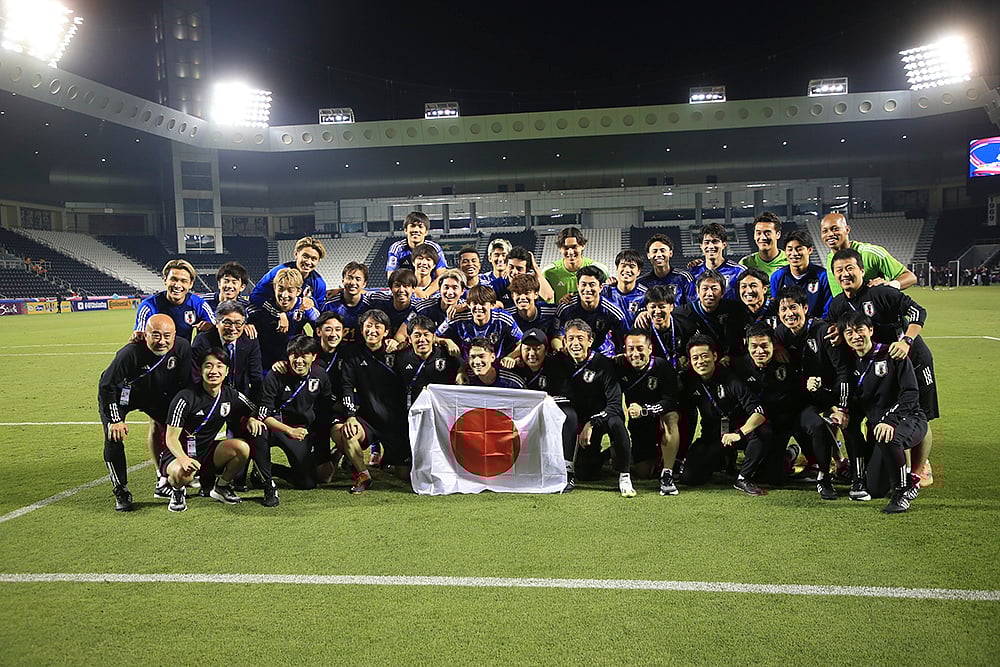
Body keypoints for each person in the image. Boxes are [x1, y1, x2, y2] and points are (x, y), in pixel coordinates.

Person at [827, 247, 938, 487]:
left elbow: (919, 311)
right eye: (839, 270)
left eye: (850, 268)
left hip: (912, 358)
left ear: (862, 270)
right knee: (888, 412)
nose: (845, 274)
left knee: (920, 413)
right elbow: (838, 327)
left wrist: (907, 341)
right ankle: (898, 466)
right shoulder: (838, 305)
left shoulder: (881, 293)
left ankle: (919, 470)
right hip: (883, 367)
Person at [732, 323, 840, 498]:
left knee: (816, 425)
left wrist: (833, 407)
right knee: (775, 478)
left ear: (773, 344)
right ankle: (790, 454)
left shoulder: (787, 359)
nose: (760, 351)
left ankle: (824, 478)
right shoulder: (739, 366)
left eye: (764, 345)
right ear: (747, 345)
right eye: (754, 346)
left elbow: (806, 384)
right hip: (770, 423)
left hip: (795, 415)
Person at [98, 314, 193, 511]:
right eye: (155, 335)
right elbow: (107, 386)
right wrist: (115, 420)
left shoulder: (182, 347)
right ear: (144, 334)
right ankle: (120, 490)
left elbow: (183, 384)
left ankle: (166, 480)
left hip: (156, 395)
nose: (162, 341)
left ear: (175, 335)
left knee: (177, 428)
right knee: (113, 436)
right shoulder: (130, 353)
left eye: (167, 336)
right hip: (121, 396)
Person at [834, 312, 926, 513]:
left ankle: (904, 489)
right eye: (849, 332)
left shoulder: (893, 354)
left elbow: (910, 394)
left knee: (889, 438)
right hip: (878, 429)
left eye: (860, 330)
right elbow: (857, 402)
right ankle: (861, 476)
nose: (855, 336)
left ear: (871, 331)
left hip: (908, 419)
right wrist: (843, 413)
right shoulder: (851, 364)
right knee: (875, 488)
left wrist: (891, 420)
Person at [160, 347, 266, 512]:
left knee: (242, 448)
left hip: (207, 450)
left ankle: (222, 487)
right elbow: (170, 438)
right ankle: (177, 491)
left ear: (226, 371)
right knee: (183, 473)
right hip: (177, 454)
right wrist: (183, 459)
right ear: (200, 369)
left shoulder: (230, 394)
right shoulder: (185, 397)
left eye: (219, 366)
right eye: (208, 366)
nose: (213, 371)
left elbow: (253, 408)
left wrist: (252, 418)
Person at [773, 285, 852, 480]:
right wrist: (775, 346)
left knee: (844, 422)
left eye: (793, 308)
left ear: (805, 309)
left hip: (832, 389)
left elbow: (843, 371)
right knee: (801, 418)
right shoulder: (781, 333)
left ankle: (846, 465)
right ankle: (816, 461)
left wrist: (840, 406)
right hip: (808, 393)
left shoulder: (823, 331)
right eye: (783, 309)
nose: (789, 314)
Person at [681, 334, 769, 496]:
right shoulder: (689, 380)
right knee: (690, 478)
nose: (700, 361)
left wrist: (738, 433)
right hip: (713, 436)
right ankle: (724, 459)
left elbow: (759, 413)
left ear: (715, 356)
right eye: (695, 358)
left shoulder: (731, 379)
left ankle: (744, 477)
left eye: (705, 356)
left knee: (763, 432)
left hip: (739, 433)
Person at [336, 309, 410, 493]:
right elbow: (346, 386)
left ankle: (390, 457)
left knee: (403, 474)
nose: (372, 330)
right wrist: (351, 416)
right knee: (347, 432)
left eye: (377, 326)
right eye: (368, 326)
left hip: (396, 423)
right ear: (362, 330)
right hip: (368, 420)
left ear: (386, 332)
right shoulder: (353, 355)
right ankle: (363, 475)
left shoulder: (397, 353)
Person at [562, 319, 636, 497]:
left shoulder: (603, 364)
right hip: (580, 422)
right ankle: (608, 455)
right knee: (585, 473)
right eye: (570, 338)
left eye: (580, 338)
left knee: (616, 423)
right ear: (564, 342)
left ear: (590, 340)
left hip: (605, 417)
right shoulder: (560, 363)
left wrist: (592, 422)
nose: (575, 343)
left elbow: (615, 404)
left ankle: (625, 476)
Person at [256, 335, 335, 500]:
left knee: (307, 482)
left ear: (313, 357)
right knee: (258, 431)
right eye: (294, 355)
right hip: (277, 427)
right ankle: (263, 475)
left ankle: (272, 469)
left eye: (304, 355)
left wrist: (320, 446)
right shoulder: (276, 374)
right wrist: (289, 430)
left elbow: (325, 410)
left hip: (300, 432)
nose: (299, 360)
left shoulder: (320, 375)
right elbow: (264, 415)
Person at [615, 330, 682, 494]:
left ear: (650, 349)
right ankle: (613, 453)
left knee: (671, 417)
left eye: (640, 348)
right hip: (638, 425)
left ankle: (667, 474)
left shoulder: (662, 366)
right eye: (630, 349)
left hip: (659, 418)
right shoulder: (619, 366)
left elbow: (670, 401)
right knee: (643, 472)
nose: (635, 354)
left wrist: (645, 410)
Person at [511, 329, 577, 491]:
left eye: (537, 348)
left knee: (569, 415)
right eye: (527, 349)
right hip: (523, 418)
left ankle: (567, 469)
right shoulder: (515, 368)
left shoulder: (556, 365)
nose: (532, 353)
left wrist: (544, 402)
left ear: (546, 350)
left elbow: (567, 397)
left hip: (551, 412)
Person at [820, 212, 916, 298]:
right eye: (825, 231)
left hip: (877, 315)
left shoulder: (870, 253)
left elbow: (910, 277)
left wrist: (890, 285)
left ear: (847, 230)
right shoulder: (830, 258)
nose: (830, 234)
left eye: (835, 229)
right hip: (848, 316)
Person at [248, 267, 320, 371]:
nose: (284, 295)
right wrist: (247, 324)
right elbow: (245, 315)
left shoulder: (306, 308)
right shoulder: (264, 305)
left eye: (290, 290)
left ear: (299, 291)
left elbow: (320, 329)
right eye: (280, 289)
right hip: (265, 361)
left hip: (293, 361)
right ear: (274, 287)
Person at [555, 265, 630, 357]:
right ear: (577, 286)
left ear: (601, 287)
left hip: (602, 351)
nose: (587, 289)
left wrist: (620, 356)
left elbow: (626, 337)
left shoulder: (613, 312)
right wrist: (561, 350)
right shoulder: (565, 307)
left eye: (592, 285)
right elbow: (556, 335)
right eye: (583, 284)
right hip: (573, 351)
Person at [674, 270, 750, 361]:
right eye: (705, 289)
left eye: (714, 289)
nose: (709, 294)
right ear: (698, 291)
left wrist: (731, 357)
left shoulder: (736, 310)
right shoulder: (681, 313)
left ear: (723, 292)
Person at [134, 259, 215, 341]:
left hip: (184, 352)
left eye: (184, 281)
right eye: (173, 279)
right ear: (165, 280)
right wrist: (139, 335)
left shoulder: (198, 304)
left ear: (191, 284)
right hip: (157, 351)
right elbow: (139, 335)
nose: (177, 285)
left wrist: (210, 327)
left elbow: (216, 327)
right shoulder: (148, 306)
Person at [436, 284, 523, 361]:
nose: (478, 307)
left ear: (492, 305)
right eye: (475, 303)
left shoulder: (503, 318)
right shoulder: (458, 318)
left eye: (482, 303)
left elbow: (522, 342)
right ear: (469, 305)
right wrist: (447, 341)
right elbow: (434, 337)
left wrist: (510, 357)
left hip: (496, 364)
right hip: (467, 366)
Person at [394, 315, 462, 409]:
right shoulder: (401, 357)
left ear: (433, 337)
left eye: (426, 334)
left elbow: (462, 365)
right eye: (417, 335)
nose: (422, 340)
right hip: (412, 411)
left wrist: (461, 372)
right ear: (410, 339)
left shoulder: (446, 354)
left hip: (441, 409)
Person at [251, 236, 329, 312]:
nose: (308, 262)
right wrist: (276, 312)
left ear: (318, 261)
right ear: (296, 254)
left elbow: (321, 310)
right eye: (305, 256)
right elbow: (256, 296)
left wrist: (313, 302)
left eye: (313, 259)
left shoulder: (319, 284)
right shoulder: (277, 273)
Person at [769, 229, 832, 318]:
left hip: (817, 328)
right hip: (788, 327)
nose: (794, 253)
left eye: (799, 249)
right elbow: (777, 309)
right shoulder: (777, 276)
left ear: (810, 250)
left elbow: (828, 310)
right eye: (790, 249)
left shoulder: (822, 276)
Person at [543, 227, 609, 303]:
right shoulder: (548, 272)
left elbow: (607, 298)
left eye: (574, 247)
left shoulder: (600, 270)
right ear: (560, 248)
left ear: (583, 246)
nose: (570, 252)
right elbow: (544, 302)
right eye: (566, 248)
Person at [686, 223, 743, 304]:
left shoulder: (738, 272)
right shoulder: (693, 272)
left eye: (715, 241)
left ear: (724, 244)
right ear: (701, 246)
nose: (711, 246)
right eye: (707, 242)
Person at [505, 273, 562, 352]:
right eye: (518, 293)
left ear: (536, 294)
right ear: (512, 296)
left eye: (527, 293)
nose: (522, 297)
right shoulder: (507, 316)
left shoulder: (552, 311)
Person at [386, 211, 447, 279]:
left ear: (426, 232)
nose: (416, 230)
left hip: (431, 287)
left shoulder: (435, 248)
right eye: (412, 226)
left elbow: (442, 277)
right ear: (405, 230)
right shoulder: (397, 248)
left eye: (420, 226)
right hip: (406, 287)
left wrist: (425, 290)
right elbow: (391, 277)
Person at [322, 262, 372, 343]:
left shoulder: (370, 306)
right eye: (349, 278)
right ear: (343, 281)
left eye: (358, 279)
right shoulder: (329, 305)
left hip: (361, 353)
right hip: (336, 352)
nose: (352, 282)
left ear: (364, 284)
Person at [637, 233, 692, 305]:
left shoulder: (684, 278)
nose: (659, 255)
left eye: (663, 250)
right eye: (654, 251)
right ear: (648, 255)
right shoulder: (641, 282)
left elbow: (692, 305)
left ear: (670, 253)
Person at [370, 268, 419, 346]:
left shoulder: (417, 308)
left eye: (406, 286)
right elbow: (361, 294)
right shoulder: (379, 300)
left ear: (413, 289)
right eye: (397, 286)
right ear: (391, 288)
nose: (401, 290)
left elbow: (400, 337)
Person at [601, 249, 648, 324]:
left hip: (636, 335)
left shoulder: (645, 295)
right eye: (623, 265)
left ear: (638, 271)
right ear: (617, 268)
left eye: (632, 266)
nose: (627, 270)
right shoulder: (605, 291)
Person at [459, 337, 526, 388]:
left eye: (481, 356)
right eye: (472, 357)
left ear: (492, 357)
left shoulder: (513, 381)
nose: (477, 362)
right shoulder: (465, 380)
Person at [479, 238, 512, 304]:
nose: (500, 259)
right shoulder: (481, 279)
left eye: (504, 255)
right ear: (490, 258)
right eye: (496, 255)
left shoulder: (515, 279)